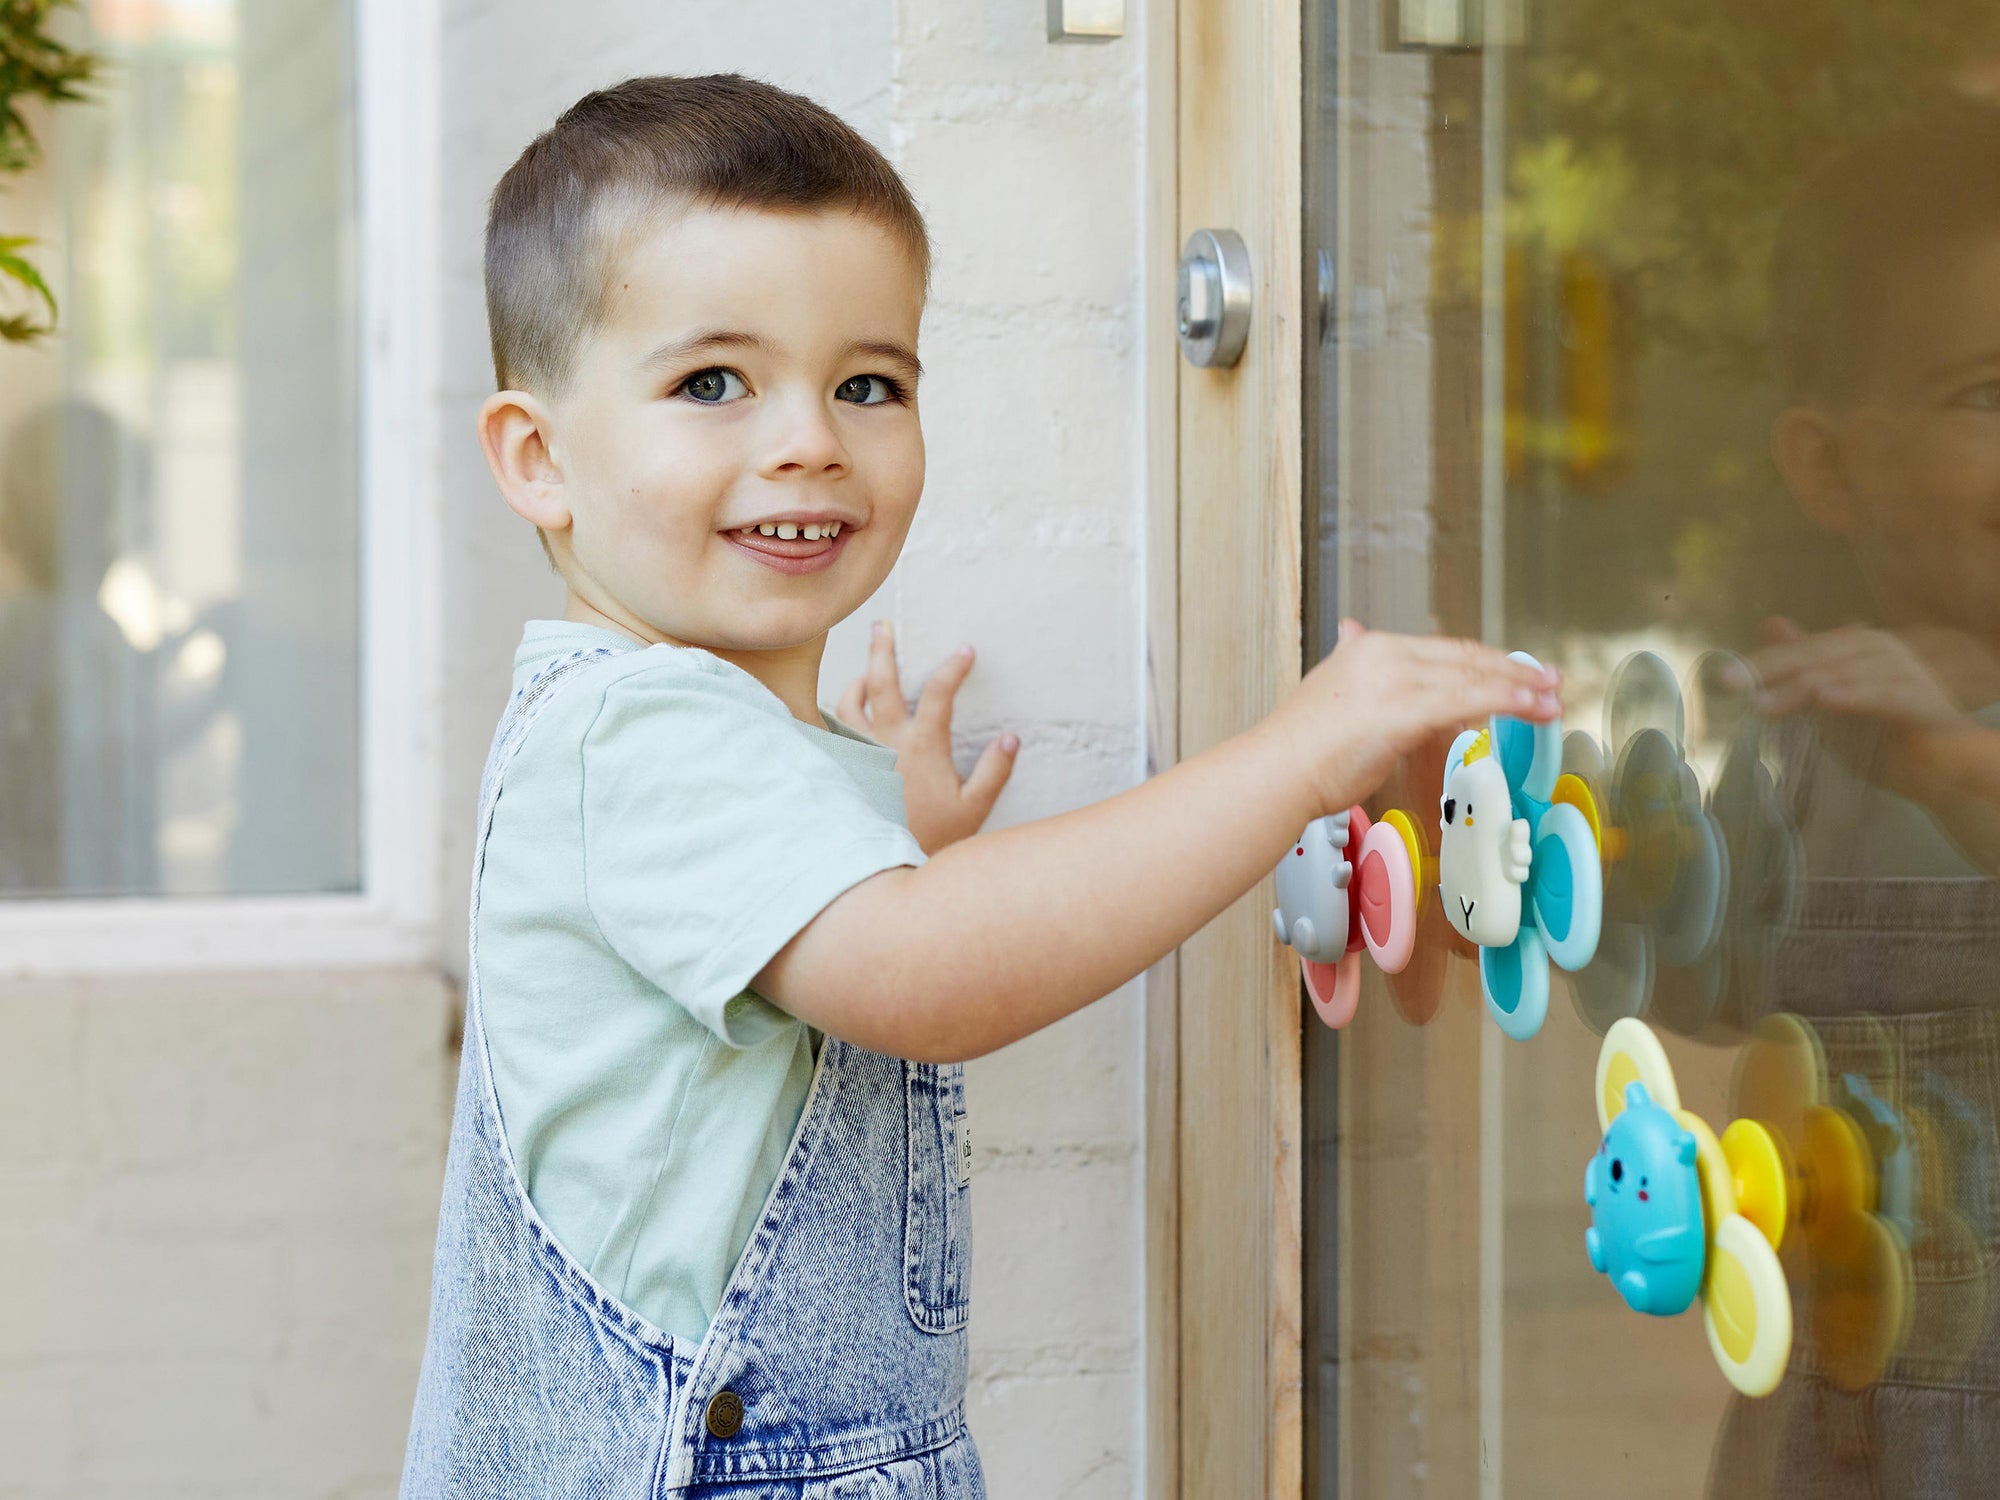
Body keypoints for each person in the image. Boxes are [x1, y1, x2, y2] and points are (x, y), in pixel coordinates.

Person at [396, 72, 1561, 1498]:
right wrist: (1296, 754)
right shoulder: (634, 736)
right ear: (539, 459)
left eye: (866, 383)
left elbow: (829, 962)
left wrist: (890, 830)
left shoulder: (677, 739)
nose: (808, 437)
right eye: (713, 383)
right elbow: (928, 975)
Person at [1705, 99, 2000, 1498]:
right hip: (1840, 1393)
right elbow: (1713, 976)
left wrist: (1955, 762)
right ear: (1833, 467)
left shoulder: (1924, 735)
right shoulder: (1823, 720)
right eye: (1989, 393)